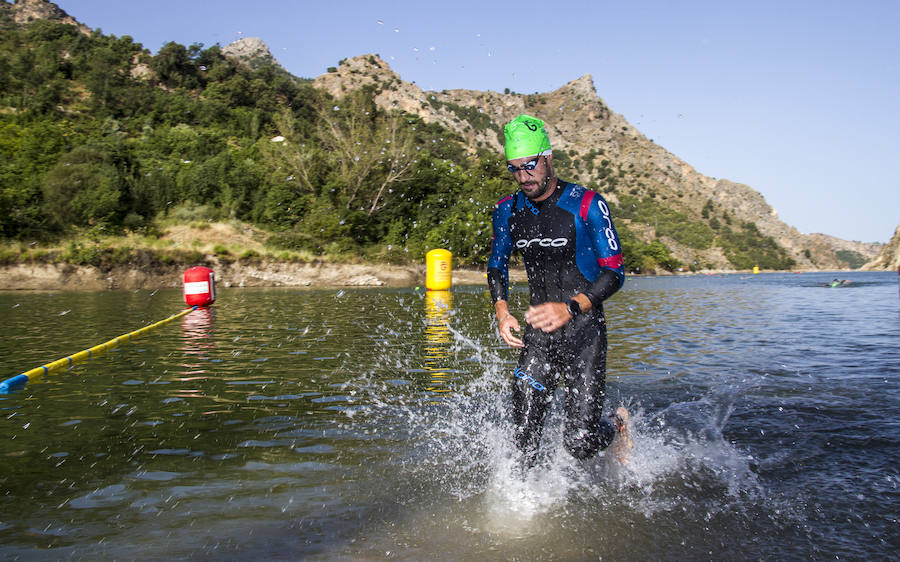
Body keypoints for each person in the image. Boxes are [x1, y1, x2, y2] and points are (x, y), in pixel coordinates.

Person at [487, 114, 632, 467]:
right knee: (522, 438)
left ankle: (618, 423)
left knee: (579, 444)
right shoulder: (507, 211)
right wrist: (502, 311)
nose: (524, 176)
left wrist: (570, 307)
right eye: (514, 168)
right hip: (539, 336)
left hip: (584, 334)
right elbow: (496, 265)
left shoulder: (587, 204)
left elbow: (615, 272)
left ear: (549, 157)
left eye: (530, 166)